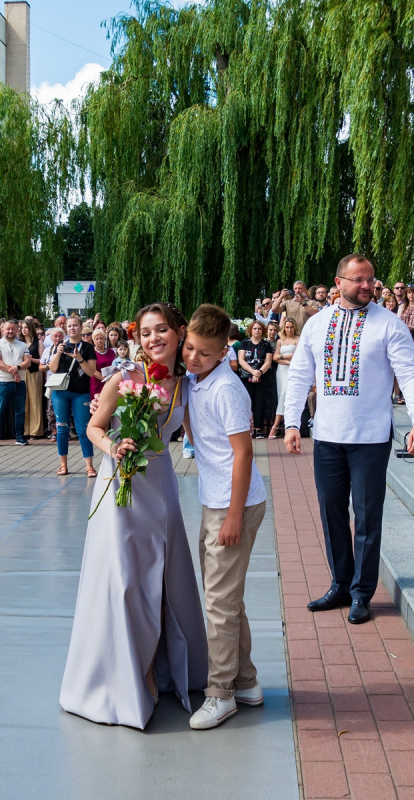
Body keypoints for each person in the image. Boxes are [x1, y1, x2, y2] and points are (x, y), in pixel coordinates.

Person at [60, 302, 207, 729]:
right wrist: (113, 449)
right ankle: (132, 673)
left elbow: (201, 438)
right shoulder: (122, 380)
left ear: (179, 333)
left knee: (164, 579)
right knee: (126, 582)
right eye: (145, 333)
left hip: (162, 487)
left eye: (161, 330)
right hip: (122, 490)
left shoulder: (188, 384)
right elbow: (93, 428)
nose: (153, 339)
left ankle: (167, 664)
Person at [284, 254, 414, 625]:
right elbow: (300, 374)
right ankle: (340, 584)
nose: (367, 286)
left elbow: (410, 374)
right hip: (327, 436)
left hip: (371, 437)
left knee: (366, 517)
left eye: (371, 280)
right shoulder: (318, 325)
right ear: (338, 282)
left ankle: (363, 593)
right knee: (332, 513)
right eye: (358, 280)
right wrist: (291, 423)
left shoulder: (390, 324)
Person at [181, 304, 269, 730]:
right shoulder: (196, 381)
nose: (193, 357)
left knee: (218, 603)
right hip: (216, 499)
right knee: (225, 599)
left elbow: (243, 452)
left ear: (223, 353)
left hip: (233, 505)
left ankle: (221, 694)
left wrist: (234, 516)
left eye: (205, 352)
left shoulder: (226, 388)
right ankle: (246, 681)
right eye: (190, 348)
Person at [48, 316, 101, 477]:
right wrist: (57, 353)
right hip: (61, 392)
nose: (72, 328)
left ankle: (89, 466)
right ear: (66, 329)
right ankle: (63, 465)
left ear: (81, 328)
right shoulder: (60, 345)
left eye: (75, 325)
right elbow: (53, 368)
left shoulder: (87, 348)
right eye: (69, 326)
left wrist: (79, 359)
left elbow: (92, 372)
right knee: (62, 428)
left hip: (81, 393)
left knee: (83, 429)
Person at [0, 319, 31, 447]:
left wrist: (17, 368)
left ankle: (20, 436)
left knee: (20, 411)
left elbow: (27, 362)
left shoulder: (23, 345)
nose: (10, 331)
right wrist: (14, 372)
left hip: (20, 383)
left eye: (13, 329)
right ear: (2, 330)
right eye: (8, 329)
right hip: (3, 382)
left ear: (17, 330)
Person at [236, 320, 275, 438]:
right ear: (250, 330)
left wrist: (259, 372)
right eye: (255, 328)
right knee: (247, 402)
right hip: (246, 376)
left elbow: (268, 361)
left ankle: (258, 428)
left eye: (259, 328)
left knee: (260, 402)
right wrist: (252, 372)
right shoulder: (244, 343)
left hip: (262, 376)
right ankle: (247, 428)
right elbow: (241, 360)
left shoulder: (266, 344)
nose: (257, 330)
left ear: (262, 330)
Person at [267, 318, 299, 438]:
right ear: (284, 328)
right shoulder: (280, 341)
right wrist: (287, 360)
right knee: (282, 395)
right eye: (287, 327)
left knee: (286, 395)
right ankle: (285, 426)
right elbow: (275, 357)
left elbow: (296, 355)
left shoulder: (298, 339)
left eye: (291, 327)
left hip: (292, 371)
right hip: (281, 371)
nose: (289, 329)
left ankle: (275, 427)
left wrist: (282, 358)